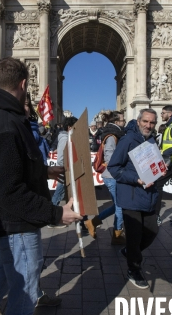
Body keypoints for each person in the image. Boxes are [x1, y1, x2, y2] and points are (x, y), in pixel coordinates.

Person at [0, 57, 82, 315]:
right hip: (16, 225)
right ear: (23, 84)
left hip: (7, 222)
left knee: (0, 278)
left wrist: (43, 172)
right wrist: (56, 213)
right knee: (26, 289)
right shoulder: (6, 124)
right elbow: (8, 189)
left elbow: (8, 169)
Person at [108, 109, 164, 290]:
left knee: (152, 231)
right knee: (134, 236)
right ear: (138, 121)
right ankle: (134, 269)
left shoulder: (152, 141)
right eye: (146, 121)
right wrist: (135, 179)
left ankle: (130, 253)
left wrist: (161, 170)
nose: (149, 125)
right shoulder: (128, 140)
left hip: (149, 195)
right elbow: (114, 167)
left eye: (152, 122)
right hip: (131, 195)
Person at [84, 111, 126, 244]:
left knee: (116, 206)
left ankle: (93, 222)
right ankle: (117, 235)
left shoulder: (115, 134)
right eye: (122, 120)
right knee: (120, 206)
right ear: (116, 122)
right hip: (112, 175)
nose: (124, 122)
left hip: (113, 175)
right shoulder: (112, 136)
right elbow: (109, 157)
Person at [51, 116, 78, 215]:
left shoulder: (69, 138)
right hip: (64, 172)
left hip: (68, 171)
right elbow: (61, 158)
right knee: (58, 195)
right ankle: (51, 218)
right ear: (70, 127)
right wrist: (64, 170)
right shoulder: (65, 138)